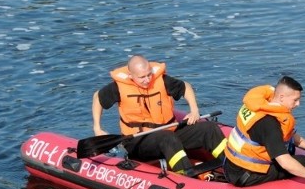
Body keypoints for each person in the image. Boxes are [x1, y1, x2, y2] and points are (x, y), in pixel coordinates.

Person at [91, 55, 226, 176]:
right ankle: (186, 175)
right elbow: (98, 98)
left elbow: (185, 87)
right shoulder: (118, 88)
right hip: (138, 141)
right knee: (167, 138)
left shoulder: (161, 81)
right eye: (142, 77)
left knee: (209, 128)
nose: (147, 79)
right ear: (131, 76)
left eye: (149, 74)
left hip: (168, 132)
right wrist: (97, 127)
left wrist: (194, 110)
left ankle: (231, 164)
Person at [223, 76, 305, 188]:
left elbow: (289, 134)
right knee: (303, 162)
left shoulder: (259, 104)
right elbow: (285, 162)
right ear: (281, 97)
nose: (298, 104)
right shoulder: (269, 124)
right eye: (295, 100)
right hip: (246, 175)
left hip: (231, 164)